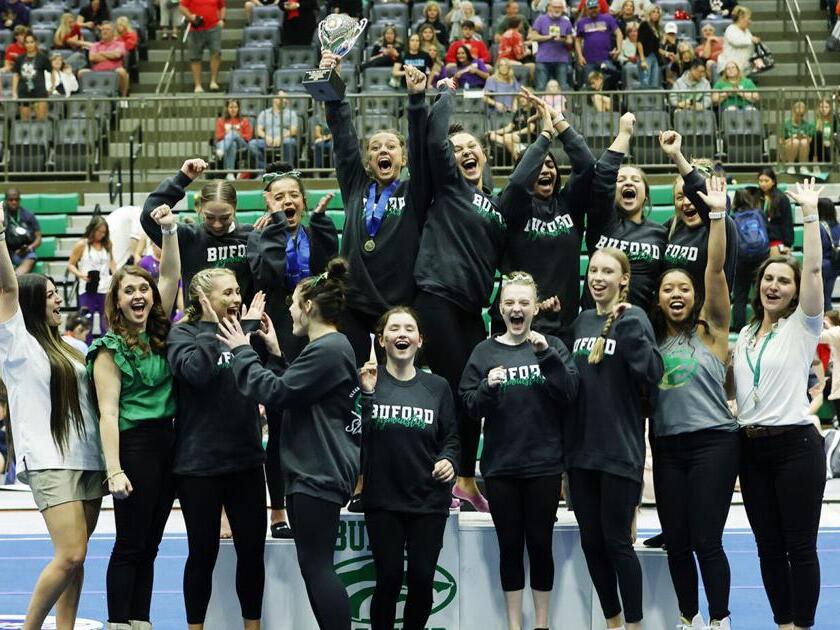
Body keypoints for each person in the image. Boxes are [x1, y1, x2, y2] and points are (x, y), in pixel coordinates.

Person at [218, 258, 360, 630]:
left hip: (318, 470)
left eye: (295, 304)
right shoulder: (327, 348)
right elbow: (299, 390)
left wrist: (241, 349)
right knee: (313, 567)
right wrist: (279, 355)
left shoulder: (330, 348)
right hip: (312, 468)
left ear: (310, 306)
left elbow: (276, 392)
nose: (291, 311)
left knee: (317, 568)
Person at [413, 77, 531, 512]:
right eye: (457, 147)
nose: (465, 152)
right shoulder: (450, 187)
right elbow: (435, 144)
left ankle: (462, 478)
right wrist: (445, 96)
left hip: (470, 308)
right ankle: (443, 476)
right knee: (451, 388)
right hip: (437, 297)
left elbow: (520, 182)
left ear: (484, 154)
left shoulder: (495, 205)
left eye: (472, 146)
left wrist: (545, 137)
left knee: (472, 391)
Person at [0, 200, 105, 630]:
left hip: (88, 458)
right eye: (49, 296)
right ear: (29, 303)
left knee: (78, 557)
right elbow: (7, 289)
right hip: (49, 459)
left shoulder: (70, 347)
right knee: (70, 554)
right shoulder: (17, 347)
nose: (58, 298)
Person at [731, 179, 826, 630]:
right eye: (769, 278)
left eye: (783, 281)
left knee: (800, 546)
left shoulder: (802, 328)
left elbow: (813, 272)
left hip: (795, 449)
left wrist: (809, 214)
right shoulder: (747, 335)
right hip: (751, 451)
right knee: (767, 548)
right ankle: (783, 623)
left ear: (793, 292)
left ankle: (803, 626)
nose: (774, 285)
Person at [460, 272, 578, 630]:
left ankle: (541, 623)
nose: (516, 308)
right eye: (509, 302)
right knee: (510, 546)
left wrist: (547, 357)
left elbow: (570, 391)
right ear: (500, 308)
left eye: (523, 303)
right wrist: (487, 387)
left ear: (534, 308)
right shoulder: (484, 351)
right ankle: (514, 624)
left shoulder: (552, 345)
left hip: (543, 465)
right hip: (501, 467)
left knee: (540, 545)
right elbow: (467, 403)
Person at [650, 176, 738, 630]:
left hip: (714, 445)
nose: (678, 294)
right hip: (667, 449)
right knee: (678, 542)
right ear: (658, 298)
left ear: (695, 295)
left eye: (684, 288)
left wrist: (718, 215)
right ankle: (688, 618)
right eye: (668, 289)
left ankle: (719, 620)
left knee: (707, 539)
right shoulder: (648, 342)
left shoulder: (713, 329)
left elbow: (716, 269)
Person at [88, 205, 181, 630]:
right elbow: (108, 412)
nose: (138, 296)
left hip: (169, 442)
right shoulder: (109, 348)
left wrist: (170, 231)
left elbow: (171, 276)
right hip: (135, 446)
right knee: (129, 543)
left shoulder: (160, 337)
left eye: (142, 290)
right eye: (128, 292)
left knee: (153, 543)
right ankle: (118, 622)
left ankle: (140, 619)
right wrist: (114, 470)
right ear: (117, 301)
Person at [568, 247, 664, 630]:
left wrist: (629, 333)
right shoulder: (581, 323)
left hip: (619, 450)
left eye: (608, 271)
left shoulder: (635, 317)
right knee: (592, 544)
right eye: (593, 270)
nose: (598, 277)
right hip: (579, 454)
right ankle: (612, 621)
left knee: (617, 542)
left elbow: (654, 373)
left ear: (623, 279)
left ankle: (635, 625)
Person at [167, 274, 270, 630]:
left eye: (238, 290)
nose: (237, 296)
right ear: (203, 298)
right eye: (228, 292)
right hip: (199, 466)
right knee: (202, 554)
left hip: (245, 461)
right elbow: (197, 372)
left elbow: (260, 380)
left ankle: (251, 627)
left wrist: (260, 339)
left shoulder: (243, 331)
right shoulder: (183, 334)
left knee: (252, 552)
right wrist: (211, 328)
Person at [319, 56, 432, 366]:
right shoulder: (356, 186)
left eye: (391, 146)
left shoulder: (415, 190)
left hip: (400, 307)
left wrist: (417, 100)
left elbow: (422, 148)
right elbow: (343, 140)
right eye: (375, 147)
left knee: (398, 379)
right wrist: (334, 83)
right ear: (368, 161)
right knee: (353, 379)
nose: (383, 150)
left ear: (404, 160)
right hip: (354, 303)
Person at [249, 167, 338, 536]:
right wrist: (271, 230)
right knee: (281, 428)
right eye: (278, 196)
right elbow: (266, 274)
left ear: (302, 200)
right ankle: (278, 510)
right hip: (275, 339)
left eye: (293, 195)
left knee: (316, 427)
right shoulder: (260, 237)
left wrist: (321, 226)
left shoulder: (315, 231)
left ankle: (317, 500)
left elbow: (329, 275)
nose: (288, 200)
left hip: (313, 341)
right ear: (269, 203)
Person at [358, 306, 459, 630]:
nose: (402, 334)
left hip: (428, 501)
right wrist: (368, 394)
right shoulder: (368, 382)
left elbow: (452, 439)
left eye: (409, 329)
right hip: (383, 499)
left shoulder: (438, 387)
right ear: (382, 339)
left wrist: (449, 460)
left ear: (419, 340)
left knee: (421, 581)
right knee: (387, 580)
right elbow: (361, 437)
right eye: (394, 329)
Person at [491, 94, 596, 343]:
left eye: (550, 164)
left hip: (564, 324)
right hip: (516, 323)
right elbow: (517, 184)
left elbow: (587, 165)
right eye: (537, 166)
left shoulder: (568, 203)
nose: (545, 169)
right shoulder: (513, 206)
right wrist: (544, 137)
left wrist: (558, 122)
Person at [141, 159, 257, 304]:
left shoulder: (251, 236)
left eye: (225, 218)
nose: (217, 224)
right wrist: (182, 178)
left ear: (235, 208)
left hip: (242, 325)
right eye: (209, 217)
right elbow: (148, 215)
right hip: (198, 325)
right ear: (200, 209)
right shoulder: (188, 238)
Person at [584, 113, 668, 312]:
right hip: (596, 322)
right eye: (620, 180)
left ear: (645, 195)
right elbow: (603, 175)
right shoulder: (602, 220)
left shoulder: (660, 233)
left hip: (640, 324)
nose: (628, 182)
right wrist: (623, 135)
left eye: (635, 180)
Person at [659, 132, 738, 299]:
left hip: (707, 318)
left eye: (691, 196)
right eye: (680, 197)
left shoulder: (722, 225)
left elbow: (698, 191)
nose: (686, 202)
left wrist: (676, 155)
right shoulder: (671, 226)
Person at [67, 216, 116, 343]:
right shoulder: (82, 245)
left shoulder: (107, 244)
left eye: (104, 232)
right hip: (87, 286)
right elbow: (70, 264)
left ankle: (106, 348)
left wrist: (116, 275)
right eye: (98, 231)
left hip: (104, 286)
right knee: (86, 321)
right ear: (92, 229)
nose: (101, 234)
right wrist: (81, 275)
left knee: (106, 321)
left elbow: (111, 262)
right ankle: (85, 350)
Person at [729, 186, 767, 332]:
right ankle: (762, 326)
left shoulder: (733, 218)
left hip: (741, 261)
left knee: (740, 296)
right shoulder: (759, 213)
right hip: (761, 257)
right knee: (760, 294)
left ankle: (740, 330)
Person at [574, 0, 622, 87]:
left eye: (595, 8)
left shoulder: (608, 18)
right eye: (591, 8)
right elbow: (577, 40)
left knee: (608, 83)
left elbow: (618, 33)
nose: (593, 10)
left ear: (599, 7)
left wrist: (619, 49)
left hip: (605, 58)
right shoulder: (582, 22)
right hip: (588, 60)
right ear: (587, 9)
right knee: (589, 85)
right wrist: (580, 56)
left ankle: (609, 100)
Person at [179, 0, 224, 92]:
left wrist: (222, 19)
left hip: (213, 26)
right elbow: (182, 7)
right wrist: (190, 17)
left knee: (216, 53)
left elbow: (222, 6)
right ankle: (198, 85)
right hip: (196, 27)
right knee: (195, 57)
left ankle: (213, 81)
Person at [247, 92, 298, 172]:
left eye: (286, 99)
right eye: (283, 98)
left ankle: (287, 172)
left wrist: (281, 137)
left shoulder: (291, 114)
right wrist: (266, 137)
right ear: (275, 99)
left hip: (284, 139)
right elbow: (258, 130)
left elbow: (294, 130)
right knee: (252, 144)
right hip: (267, 141)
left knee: (290, 142)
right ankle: (264, 171)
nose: (285, 101)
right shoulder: (264, 113)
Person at [529, 0, 574, 90]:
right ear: (549, 7)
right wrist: (548, 37)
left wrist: (563, 40)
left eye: (559, 7)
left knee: (563, 87)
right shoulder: (540, 19)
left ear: (562, 9)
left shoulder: (566, 22)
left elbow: (570, 41)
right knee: (541, 87)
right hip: (543, 59)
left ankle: (563, 104)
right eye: (555, 7)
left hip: (561, 60)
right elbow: (532, 36)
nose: (557, 9)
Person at [82, 22, 130, 97]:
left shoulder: (120, 44)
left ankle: (123, 98)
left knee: (122, 72)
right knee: (81, 72)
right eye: (103, 29)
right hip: (96, 70)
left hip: (114, 69)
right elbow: (92, 57)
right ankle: (84, 97)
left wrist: (101, 53)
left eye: (107, 29)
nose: (104, 31)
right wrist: (110, 55)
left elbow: (117, 55)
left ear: (113, 32)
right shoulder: (95, 45)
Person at [11, 33, 49, 121]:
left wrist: (52, 87)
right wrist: (14, 92)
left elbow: (51, 72)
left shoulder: (43, 58)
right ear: (24, 44)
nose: (29, 45)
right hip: (24, 92)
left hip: (40, 93)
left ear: (36, 43)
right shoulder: (19, 59)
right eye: (27, 42)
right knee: (25, 123)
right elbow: (16, 75)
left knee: (41, 122)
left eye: (31, 42)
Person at [2, 188, 41, 275]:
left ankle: (15, 279)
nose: (14, 202)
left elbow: (38, 238)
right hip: (7, 251)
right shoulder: (2, 216)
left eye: (16, 199)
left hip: (25, 252)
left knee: (31, 258)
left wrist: (29, 248)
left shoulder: (28, 215)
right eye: (11, 200)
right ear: (6, 200)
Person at [758, 166, 794, 256]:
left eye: (766, 181)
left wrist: (787, 244)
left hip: (776, 241)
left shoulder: (782, 198)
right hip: (759, 241)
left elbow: (787, 222)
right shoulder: (756, 197)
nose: (763, 184)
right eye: (760, 181)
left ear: (773, 181)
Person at [214, 99, 253, 177]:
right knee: (232, 144)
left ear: (238, 108)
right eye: (231, 107)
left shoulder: (244, 121)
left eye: (235, 107)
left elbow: (248, 137)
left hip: (241, 144)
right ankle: (230, 173)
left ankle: (221, 151)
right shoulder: (221, 120)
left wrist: (237, 133)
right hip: (223, 142)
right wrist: (226, 132)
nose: (233, 109)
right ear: (227, 108)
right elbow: (218, 136)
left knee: (233, 133)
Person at [717, 6, 759, 77]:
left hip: (743, 70)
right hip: (729, 69)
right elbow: (736, 42)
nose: (750, 22)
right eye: (748, 19)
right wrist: (751, 40)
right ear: (741, 18)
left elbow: (750, 48)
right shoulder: (731, 29)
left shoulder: (747, 31)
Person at [782, 101, 816, 175]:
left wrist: (804, 137)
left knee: (804, 142)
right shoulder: (786, 124)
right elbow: (781, 141)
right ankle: (790, 166)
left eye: (802, 115)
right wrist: (793, 137)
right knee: (795, 142)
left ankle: (803, 166)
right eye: (798, 115)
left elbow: (810, 140)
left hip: (802, 150)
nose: (800, 117)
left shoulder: (807, 125)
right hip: (788, 150)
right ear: (793, 112)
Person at [819, 197, 840, 312]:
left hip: (822, 266)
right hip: (834, 265)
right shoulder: (838, 226)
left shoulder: (819, 227)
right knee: (827, 298)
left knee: (821, 301)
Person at [810, 98, 833, 169]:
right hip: (817, 150)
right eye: (822, 107)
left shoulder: (833, 122)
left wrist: (830, 142)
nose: (824, 109)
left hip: (829, 149)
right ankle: (815, 163)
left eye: (826, 107)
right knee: (818, 134)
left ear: (830, 108)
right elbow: (811, 139)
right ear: (819, 108)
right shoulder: (814, 122)